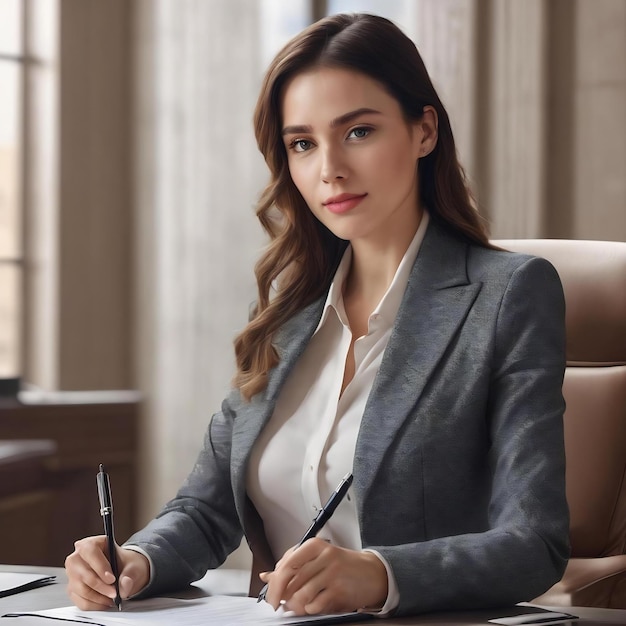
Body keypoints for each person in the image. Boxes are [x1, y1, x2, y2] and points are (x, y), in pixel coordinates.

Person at [65, 12, 569, 618]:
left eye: (358, 132)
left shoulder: (507, 295)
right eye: (302, 143)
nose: (328, 167)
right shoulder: (287, 315)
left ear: (424, 131)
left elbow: (533, 543)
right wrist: (134, 561)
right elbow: (204, 513)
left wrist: (379, 576)